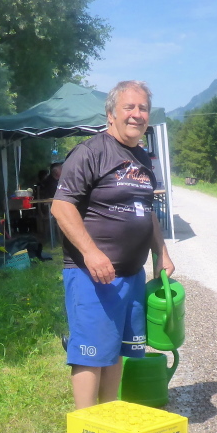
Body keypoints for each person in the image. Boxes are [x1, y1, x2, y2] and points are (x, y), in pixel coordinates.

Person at [51, 80, 174, 409]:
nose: (137, 114)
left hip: (131, 276)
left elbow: (146, 210)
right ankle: (86, 429)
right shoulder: (90, 152)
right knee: (90, 354)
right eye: (128, 107)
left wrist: (161, 253)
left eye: (143, 108)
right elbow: (61, 207)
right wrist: (91, 254)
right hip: (92, 276)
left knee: (117, 349)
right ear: (111, 114)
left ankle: (108, 419)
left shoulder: (142, 156)